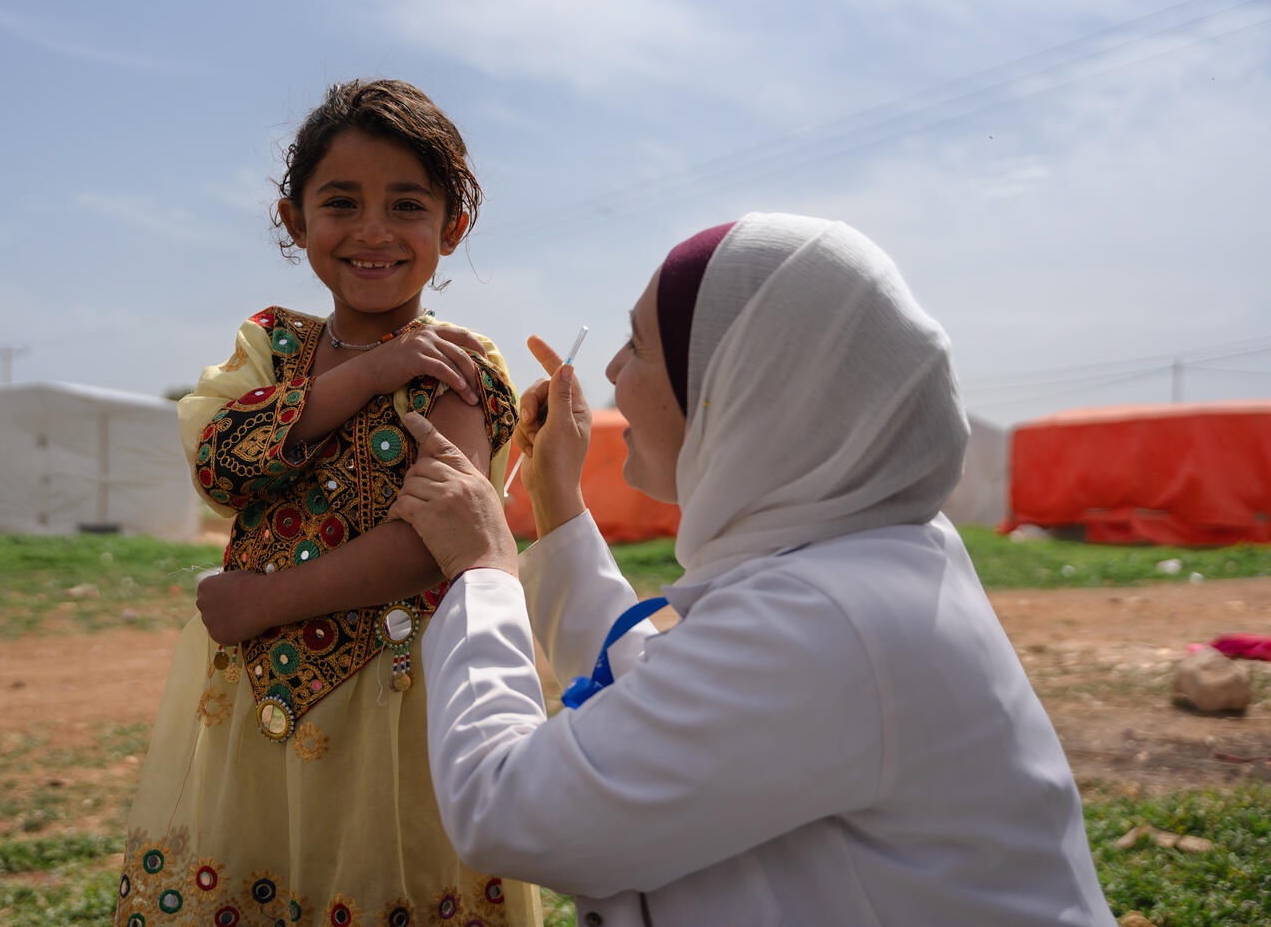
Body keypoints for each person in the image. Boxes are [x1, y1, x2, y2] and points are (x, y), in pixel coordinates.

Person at [391, 213, 1115, 926]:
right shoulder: (865, 558)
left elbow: (505, 808)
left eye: (639, 346)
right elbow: (668, 699)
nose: (608, 372)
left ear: (740, 386)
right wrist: (555, 502)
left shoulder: (828, 621)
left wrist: (483, 572)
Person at [113, 80, 541, 927]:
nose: (373, 230)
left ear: (450, 228)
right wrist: (373, 372)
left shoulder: (460, 362)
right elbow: (221, 460)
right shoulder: (269, 346)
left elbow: (433, 539)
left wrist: (262, 600)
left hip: (398, 705)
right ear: (294, 221)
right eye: (340, 202)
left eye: (407, 205)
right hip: (253, 702)